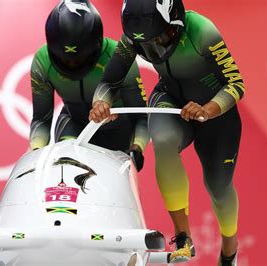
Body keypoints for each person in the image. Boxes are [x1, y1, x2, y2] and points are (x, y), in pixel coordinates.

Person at [89, 0, 245, 264]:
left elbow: (236, 84)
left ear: (176, 25)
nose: (153, 49)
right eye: (145, 46)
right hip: (170, 99)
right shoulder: (133, 38)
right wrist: (100, 103)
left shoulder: (203, 32)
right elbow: (109, 82)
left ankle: (230, 245)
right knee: (162, 139)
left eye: (159, 39)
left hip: (215, 114)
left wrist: (208, 109)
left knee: (218, 187)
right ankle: (183, 236)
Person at [30, 0, 149, 171]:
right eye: (64, 59)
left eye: (79, 59)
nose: (72, 65)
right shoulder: (42, 62)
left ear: (97, 47)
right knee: (67, 167)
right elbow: (41, 119)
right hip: (74, 125)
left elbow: (141, 117)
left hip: (117, 132)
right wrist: (36, 153)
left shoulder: (120, 56)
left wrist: (137, 148)